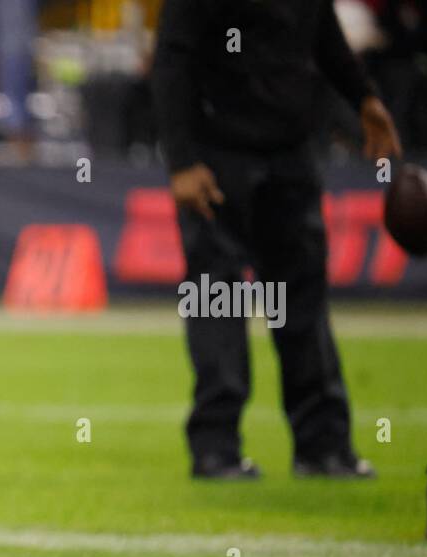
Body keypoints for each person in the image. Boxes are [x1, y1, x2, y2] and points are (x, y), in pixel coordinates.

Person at [152, 0, 402, 479]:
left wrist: (364, 97)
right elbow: (172, 57)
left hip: (290, 149)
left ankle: (323, 446)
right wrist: (182, 160)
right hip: (217, 150)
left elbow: (323, 33)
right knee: (219, 300)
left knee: (302, 297)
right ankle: (215, 447)